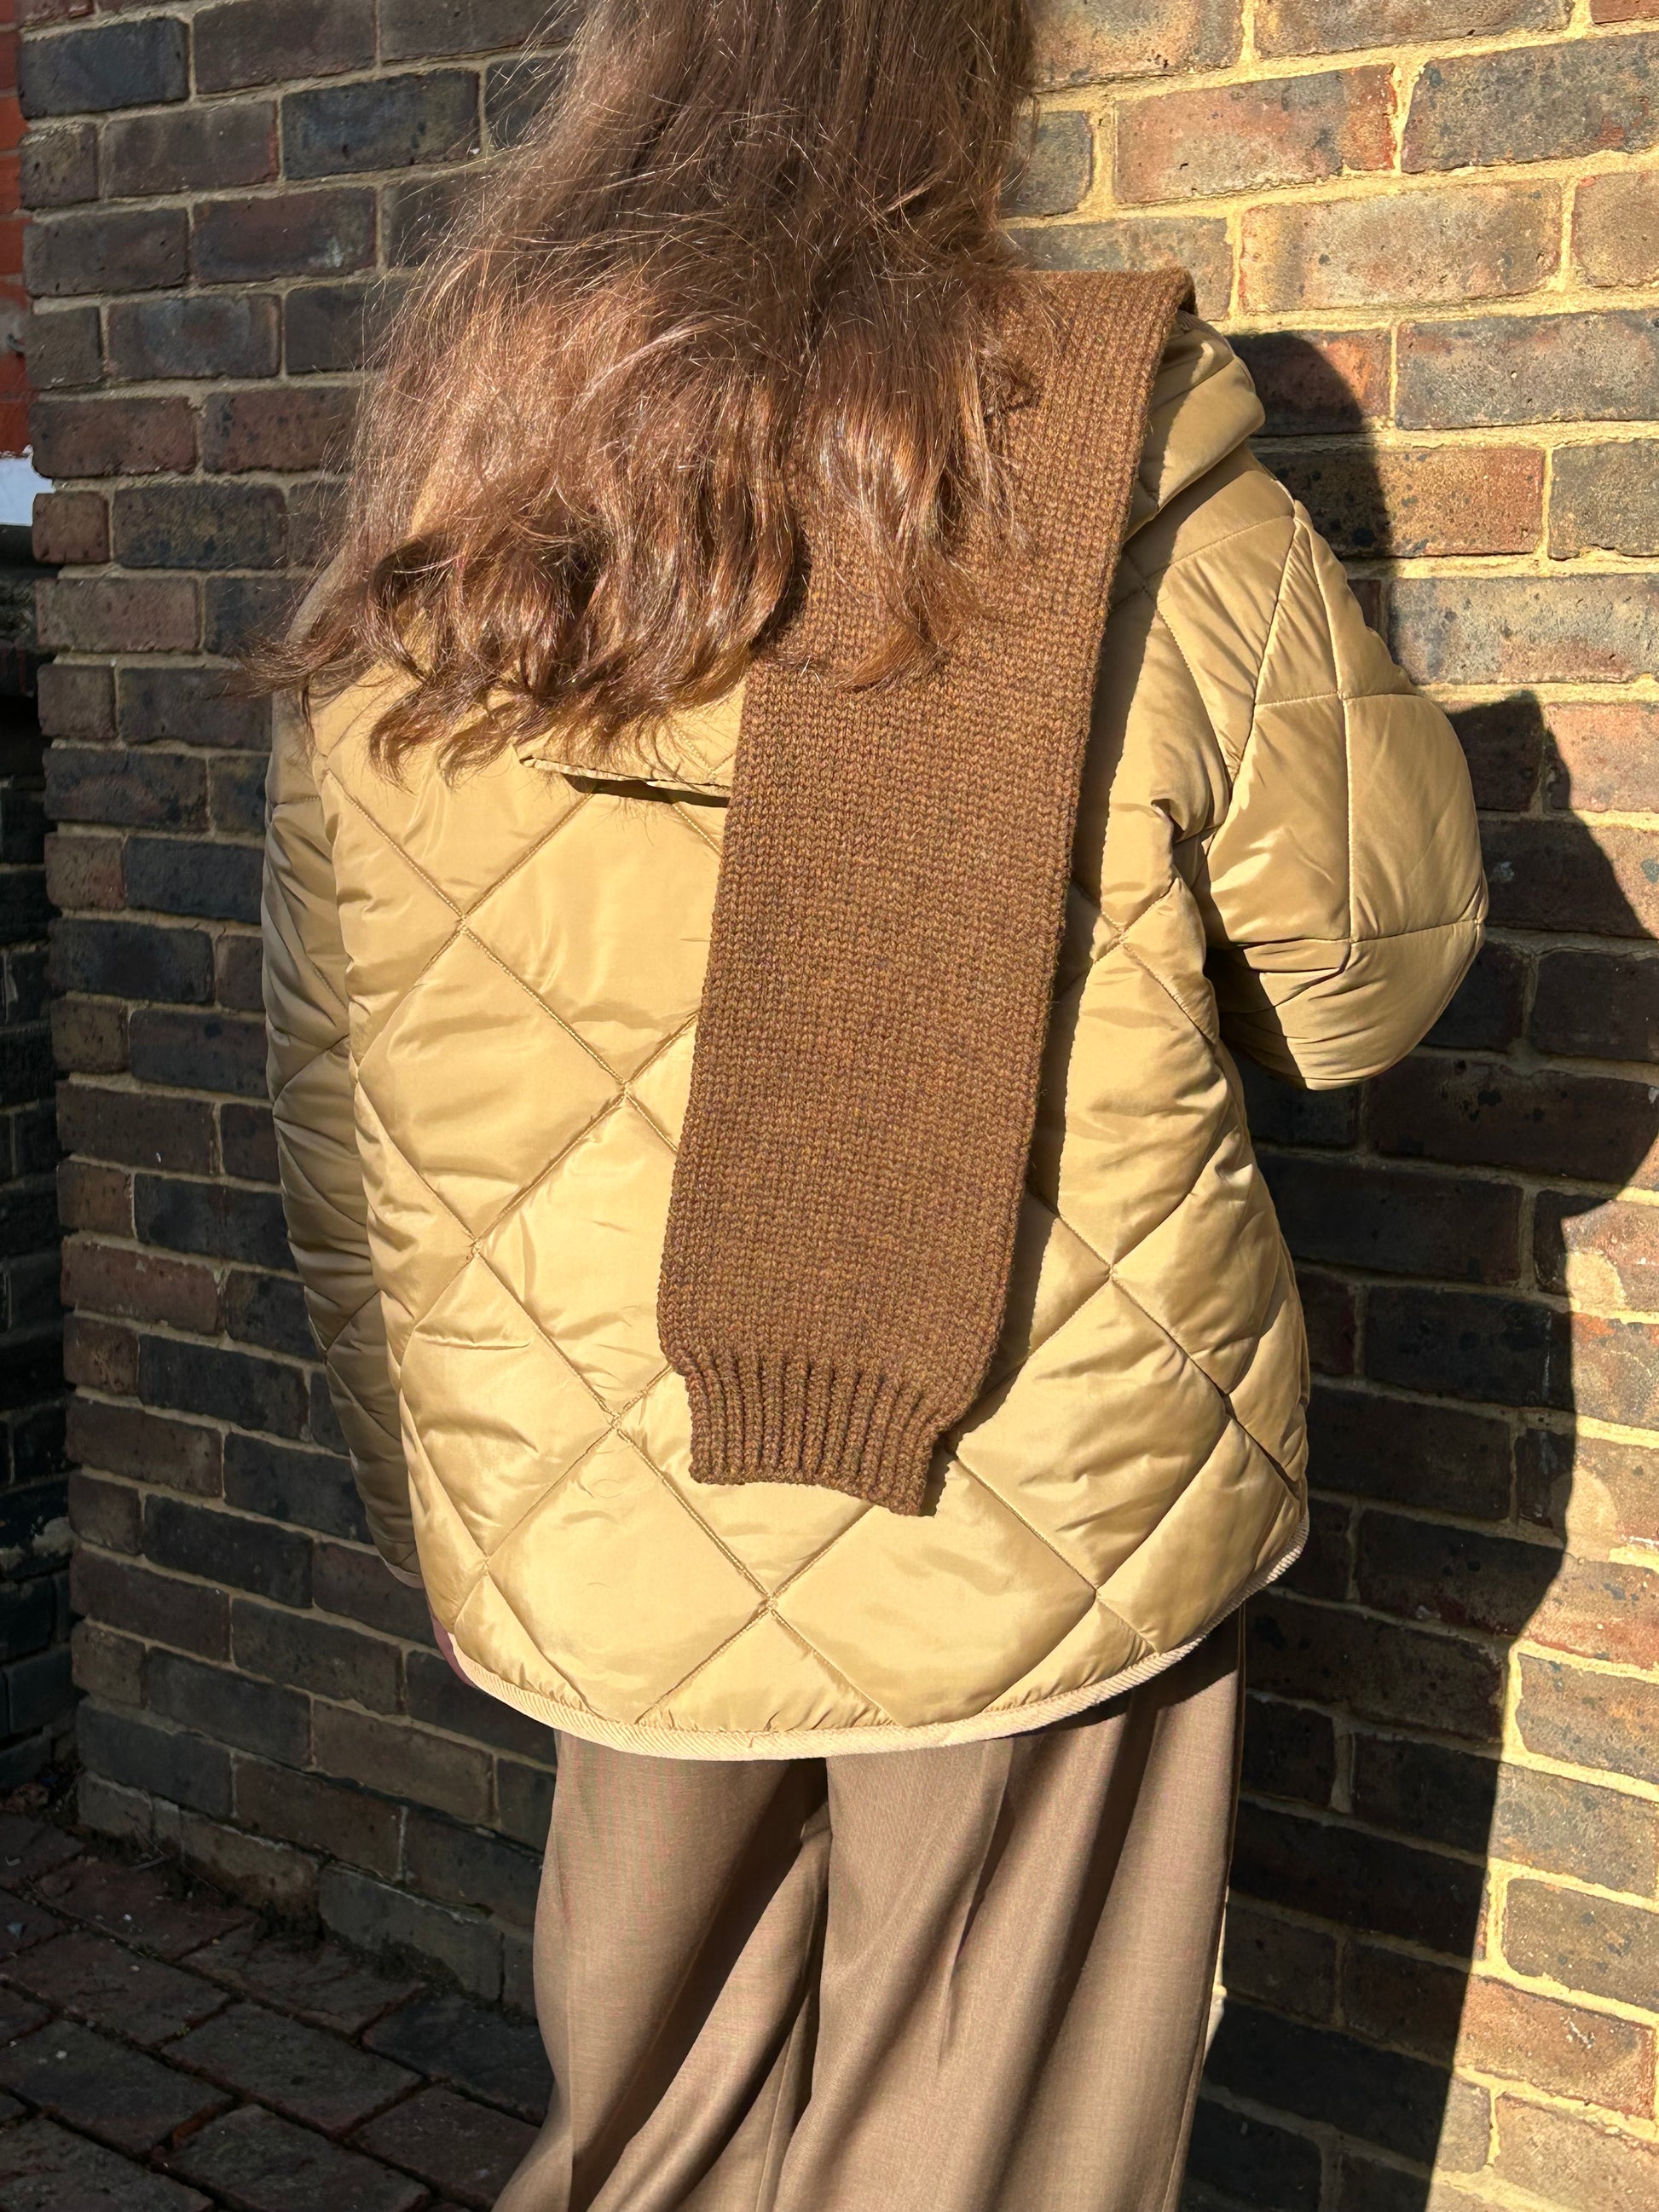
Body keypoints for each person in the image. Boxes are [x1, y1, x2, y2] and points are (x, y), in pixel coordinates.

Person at [257, 3, 1484, 2206]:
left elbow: (334, 1102)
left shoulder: (449, 501)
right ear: (962, 92)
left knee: (653, 2146)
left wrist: (444, 1485)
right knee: (986, 2149)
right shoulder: (1111, 468)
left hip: (590, 1490)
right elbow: (1365, 988)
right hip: (1027, 1503)